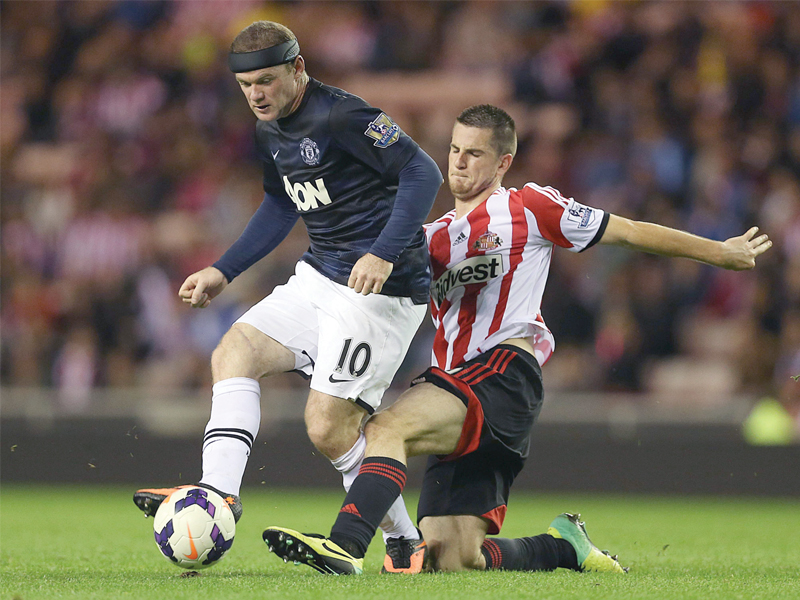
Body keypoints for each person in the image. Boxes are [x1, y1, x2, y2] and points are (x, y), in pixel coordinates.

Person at [262, 104, 773, 575]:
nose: (459, 163)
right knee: (452, 557)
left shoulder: (529, 207)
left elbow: (630, 231)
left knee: (388, 427)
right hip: (454, 382)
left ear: (503, 161)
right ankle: (563, 545)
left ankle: (344, 545)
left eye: (475, 153)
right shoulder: (427, 238)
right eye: (455, 150)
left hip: (504, 370)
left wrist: (719, 251)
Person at [132, 20, 442, 572]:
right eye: (246, 85)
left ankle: (400, 538)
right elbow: (281, 204)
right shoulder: (268, 129)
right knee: (235, 351)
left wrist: (386, 251)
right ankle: (218, 494)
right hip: (320, 276)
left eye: (267, 81)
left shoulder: (343, 115)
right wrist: (223, 270)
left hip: (381, 290)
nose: (256, 94)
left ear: (298, 68)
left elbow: (422, 171)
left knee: (328, 427)